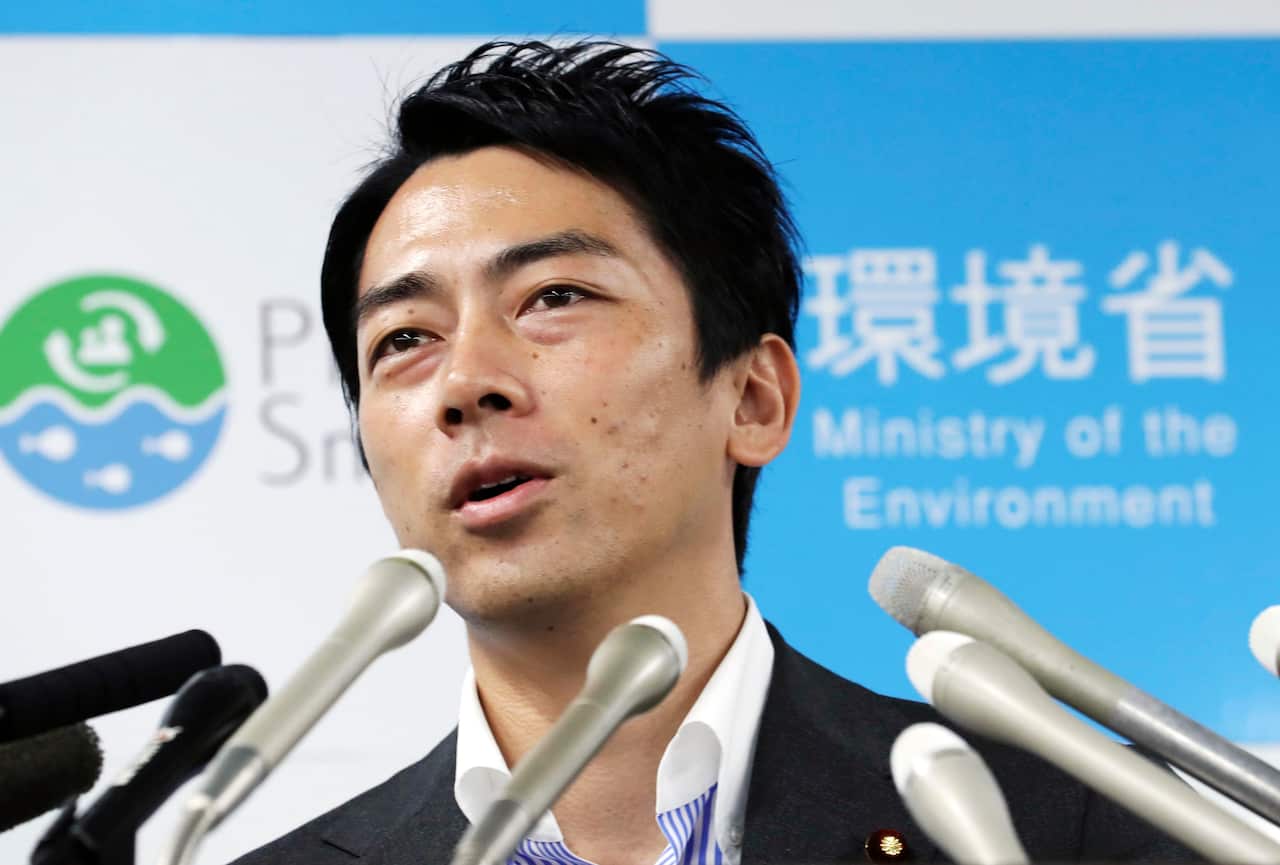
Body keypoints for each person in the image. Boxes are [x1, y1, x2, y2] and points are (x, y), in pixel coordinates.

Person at [234, 40, 1193, 865]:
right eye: (404, 338)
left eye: (554, 297)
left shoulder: (1058, 826)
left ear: (753, 397)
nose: (466, 382)